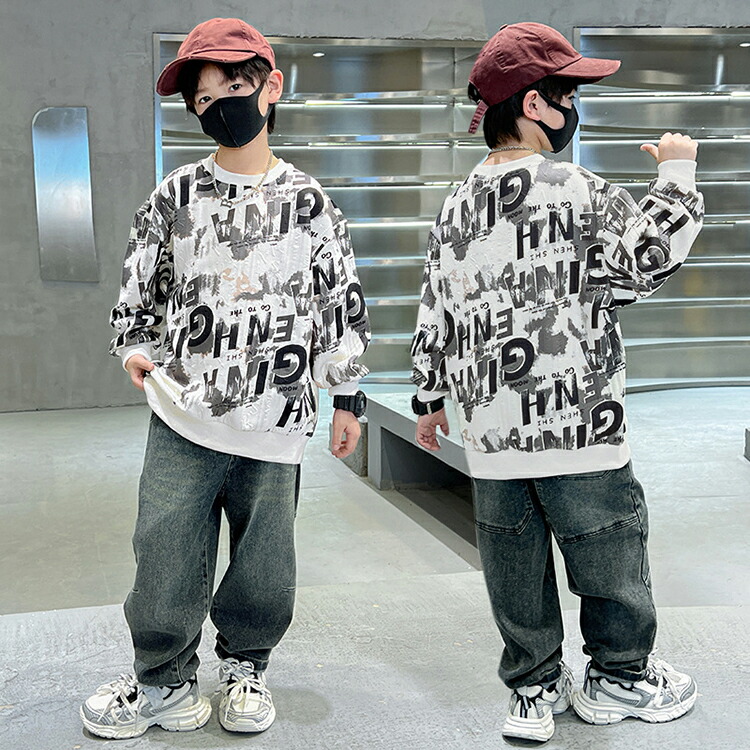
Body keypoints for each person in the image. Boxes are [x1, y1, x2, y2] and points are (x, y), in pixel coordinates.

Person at [410, 22, 703, 744]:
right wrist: (677, 177)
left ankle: (533, 689)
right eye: (568, 94)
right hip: (581, 426)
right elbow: (641, 266)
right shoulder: (579, 189)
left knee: (513, 565)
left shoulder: (456, 203)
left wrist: (429, 397)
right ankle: (620, 678)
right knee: (608, 553)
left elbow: (435, 304)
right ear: (535, 104)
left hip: (492, 433)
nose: (574, 108)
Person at [80, 17, 370, 740]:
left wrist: (348, 393)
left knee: (265, 559)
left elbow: (339, 301)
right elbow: (140, 285)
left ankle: (246, 666)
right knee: (165, 546)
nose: (219, 106)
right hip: (184, 410)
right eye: (203, 99)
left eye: (233, 87)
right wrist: (134, 347)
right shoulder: (175, 197)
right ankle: (163, 680)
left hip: (276, 417)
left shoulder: (309, 203)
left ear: (272, 88)